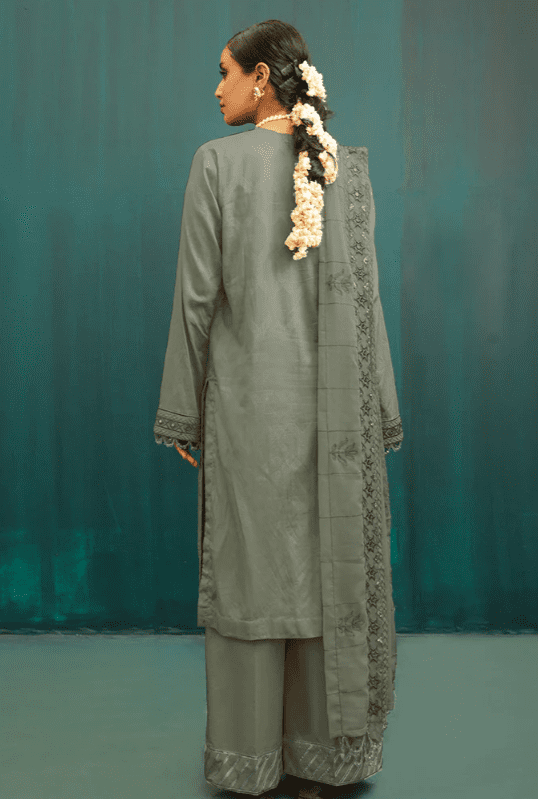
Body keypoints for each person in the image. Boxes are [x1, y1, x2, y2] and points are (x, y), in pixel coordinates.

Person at [153, 19, 403, 799]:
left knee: (252, 578)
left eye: (225, 72)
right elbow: (368, 309)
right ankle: (321, 762)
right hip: (336, 425)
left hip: (246, 418)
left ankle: (250, 761)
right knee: (325, 576)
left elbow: (196, 300)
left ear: (262, 77)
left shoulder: (215, 164)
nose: (217, 88)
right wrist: (382, 413)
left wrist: (182, 413)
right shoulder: (340, 169)